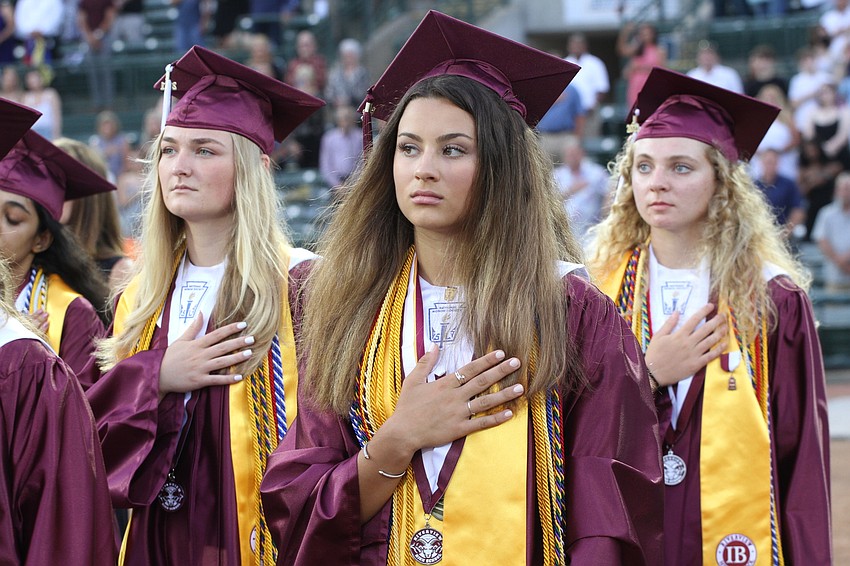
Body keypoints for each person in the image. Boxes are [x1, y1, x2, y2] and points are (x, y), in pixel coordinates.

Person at [260, 11, 664, 565]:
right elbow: (301, 503)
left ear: (501, 167)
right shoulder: (349, 306)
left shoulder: (570, 310)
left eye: (453, 149)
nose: (423, 169)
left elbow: (605, 522)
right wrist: (399, 438)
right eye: (407, 147)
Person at [85, 46, 324, 565]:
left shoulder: (301, 283)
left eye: (205, 150)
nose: (179, 167)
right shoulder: (140, 296)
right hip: (156, 539)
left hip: (255, 537)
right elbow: (91, 443)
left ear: (255, 166)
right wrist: (158, 375)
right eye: (169, 149)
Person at [589, 67, 831, 565]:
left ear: (721, 182)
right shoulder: (597, 294)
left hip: (730, 531)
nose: (657, 183)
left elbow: (801, 458)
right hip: (630, 526)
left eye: (681, 167)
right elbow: (571, 431)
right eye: (644, 166)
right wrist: (648, 375)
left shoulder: (772, 300)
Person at [0, 128, 111, 383]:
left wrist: (25, 354)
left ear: (41, 239)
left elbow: (79, 414)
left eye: (12, 218)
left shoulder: (72, 314)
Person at [54, 137, 135, 291]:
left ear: (89, 195)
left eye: (59, 182)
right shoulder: (29, 263)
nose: (47, 192)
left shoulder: (120, 272)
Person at [553, 137, 610, 245]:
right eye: (569, 154)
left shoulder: (596, 172)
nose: (572, 158)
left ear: (582, 153)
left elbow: (611, 192)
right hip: (565, 230)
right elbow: (550, 203)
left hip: (591, 229)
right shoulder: (557, 175)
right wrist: (570, 191)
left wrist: (604, 213)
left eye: (575, 154)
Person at [754, 148, 806, 238]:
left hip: (782, 234)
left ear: (778, 163)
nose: (770, 166)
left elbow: (798, 210)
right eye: (768, 162)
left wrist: (786, 233)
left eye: (773, 162)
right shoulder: (753, 185)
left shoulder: (789, 184)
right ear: (761, 163)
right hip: (758, 235)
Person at [812, 170, 850, 291]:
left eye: (848, 188)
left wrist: (846, 258)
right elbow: (821, 239)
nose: (846, 192)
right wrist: (839, 261)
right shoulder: (826, 213)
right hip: (833, 276)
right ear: (836, 190)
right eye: (843, 188)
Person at [78, 0, 117, 111]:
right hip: (89, 39)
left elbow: (110, 16)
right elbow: (81, 18)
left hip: (105, 37)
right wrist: (89, 36)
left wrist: (99, 34)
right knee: (93, 72)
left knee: (106, 71)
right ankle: (97, 103)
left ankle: (109, 103)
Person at [617, 22, 667, 108]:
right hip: (636, 85)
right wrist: (625, 33)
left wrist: (641, 68)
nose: (645, 36)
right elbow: (621, 50)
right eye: (643, 34)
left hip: (651, 86)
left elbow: (662, 69)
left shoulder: (659, 50)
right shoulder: (636, 49)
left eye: (648, 33)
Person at [318, 103, 361, 192]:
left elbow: (363, 161)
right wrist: (337, 185)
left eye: (347, 118)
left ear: (352, 119)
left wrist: (353, 183)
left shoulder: (360, 136)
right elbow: (325, 165)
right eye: (342, 119)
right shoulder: (329, 138)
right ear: (337, 120)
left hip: (356, 183)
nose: (345, 122)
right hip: (336, 184)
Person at [325, 38, 370, 109]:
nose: (348, 58)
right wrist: (336, 101)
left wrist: (347, 100)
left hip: (356, 109)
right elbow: (329, 94)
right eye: (346, 56)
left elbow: (363, 94)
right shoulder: (335, 74)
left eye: (351, 55)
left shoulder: (362, 73)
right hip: (338, 109)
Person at [20, 66, 61, 140]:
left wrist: (56, 136)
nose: (34, 81)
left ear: (41, 79)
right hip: (32, 134)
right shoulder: (25, 97)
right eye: (31, 78)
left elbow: (57, 117)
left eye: (36, 77)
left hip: (49, 132)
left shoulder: (51, 94)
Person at [89, 109, 130, 181]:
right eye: (104, 125)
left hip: (120, 177)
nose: (107, 128)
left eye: (109, 124)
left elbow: (126, 163)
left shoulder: (122, 140)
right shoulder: (95, 141)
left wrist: (120, 178)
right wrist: (105, 153)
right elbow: (93, 163)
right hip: (102, 177)